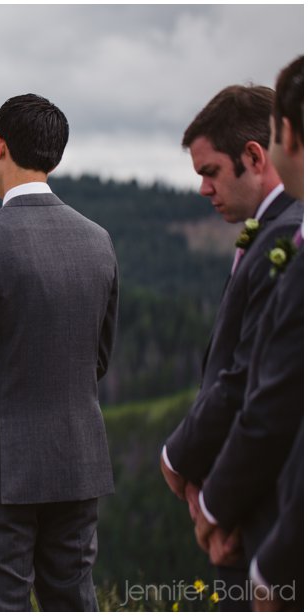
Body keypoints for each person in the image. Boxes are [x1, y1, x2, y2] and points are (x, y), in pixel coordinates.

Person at [0, 94, 119, 611]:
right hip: (77, 459)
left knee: (1, 603)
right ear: (54, 155)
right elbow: (99, 356)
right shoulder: (98, 240)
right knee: (71, 601)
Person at [159, 84, 302, 609]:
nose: (202, 188)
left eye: (209, 171)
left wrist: (183, 467)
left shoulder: (288, 238)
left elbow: (254, 378)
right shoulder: (273, 231)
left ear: (255, 155)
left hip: (265, 507)